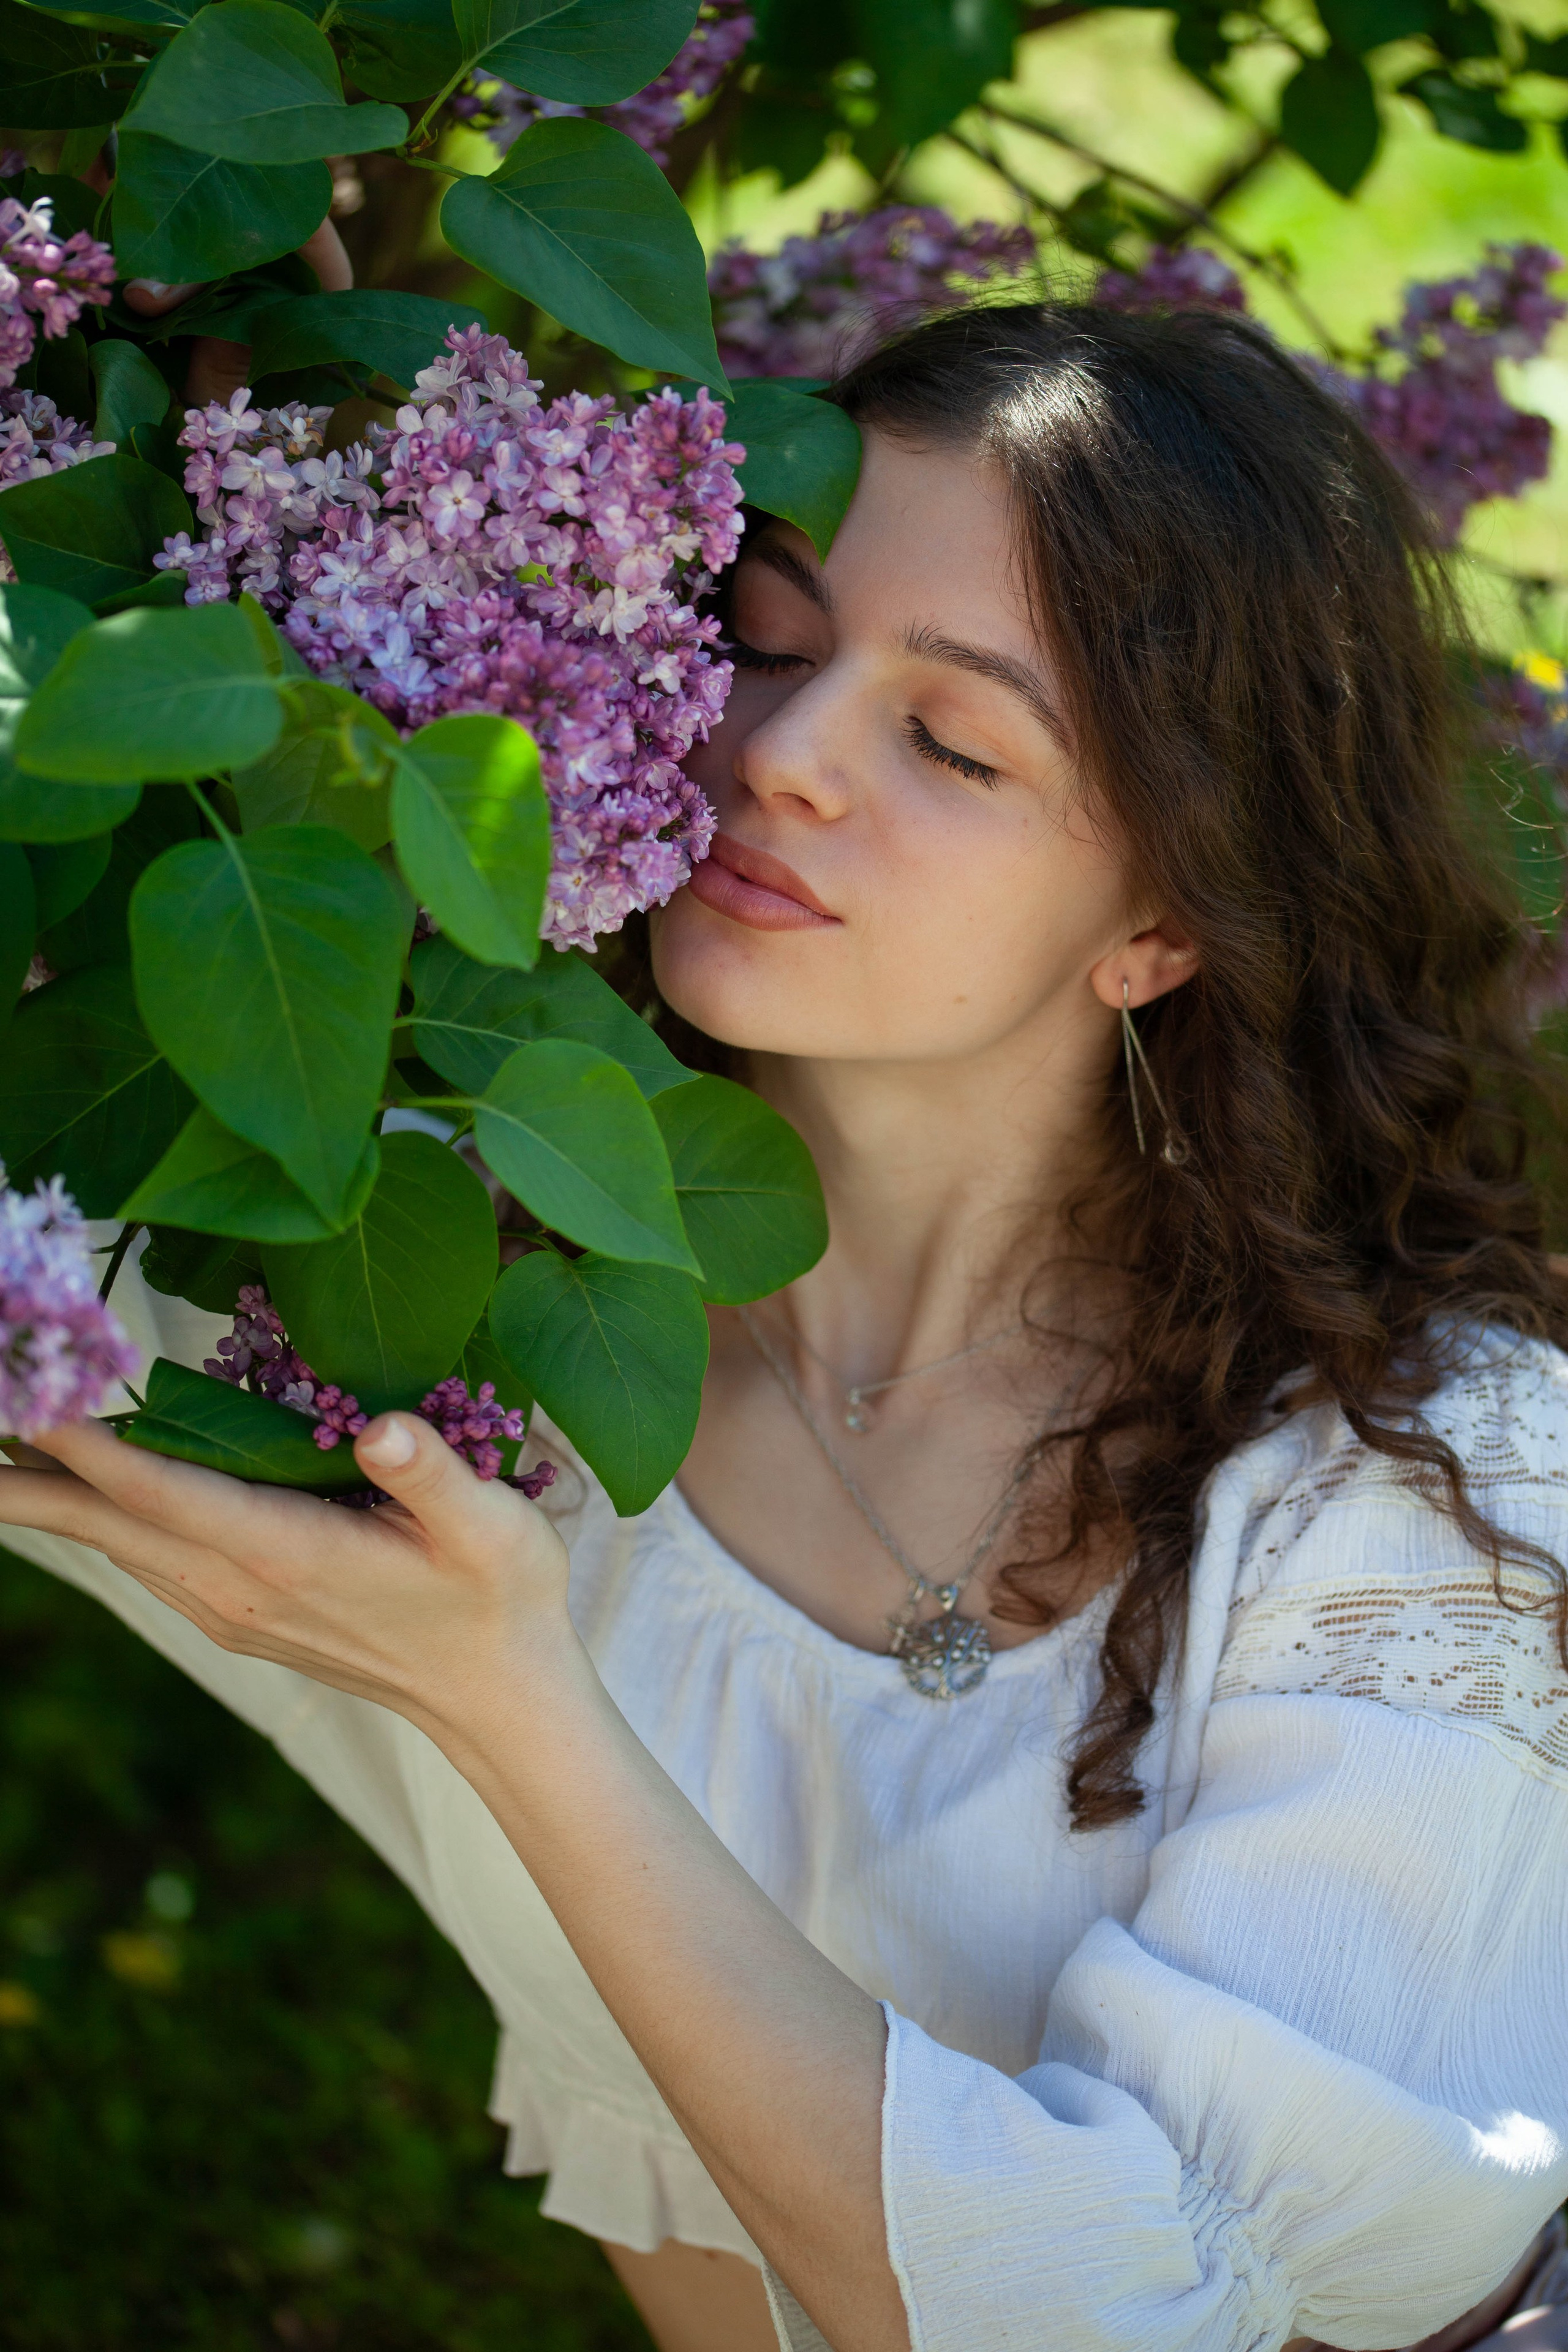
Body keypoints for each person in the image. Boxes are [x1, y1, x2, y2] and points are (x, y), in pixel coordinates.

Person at [3, 301, 1567, 2352]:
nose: (781, 754)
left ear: (1164, 923)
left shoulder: (1422, 1490)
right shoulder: (430, 1318)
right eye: (763, 632)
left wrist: (508, 1702)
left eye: (951, 740)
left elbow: (1157, 2306)